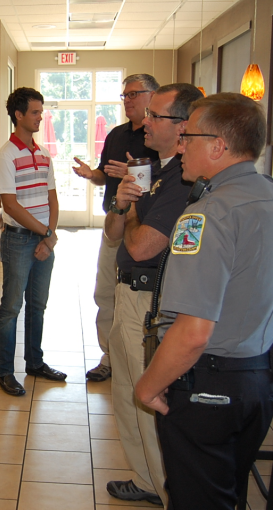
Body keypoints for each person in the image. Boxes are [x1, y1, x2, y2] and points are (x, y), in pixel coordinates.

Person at [135, 93, 273, 510]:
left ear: (218, 146)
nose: (180, 146)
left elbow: (193, 333)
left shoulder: (207, 214)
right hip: (261, 379)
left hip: (209, 385)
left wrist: (147, 387)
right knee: (227, 493)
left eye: (189, 137)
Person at [104, 83, 203, 506]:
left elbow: (143, 246)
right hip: (128, 294)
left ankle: (167, 491)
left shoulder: (184, 180)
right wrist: (124, 205)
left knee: (148, 397)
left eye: (156, 116)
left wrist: (129, 219)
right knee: (128, 396)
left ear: (183, 127)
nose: (145, 121)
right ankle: (146, 479)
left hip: (150, 301)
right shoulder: (155, 172)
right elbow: (113, 234)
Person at [73, 74, 160, 383]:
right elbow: (104, 175)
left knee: (140, 301)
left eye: (134, 94)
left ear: (153, 96)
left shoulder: (159, 138)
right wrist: (90, 174)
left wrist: (136, 174)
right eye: (125, 95)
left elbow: (167, 182)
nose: (127, 100)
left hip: (149, 229)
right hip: (114, 225)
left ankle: (137, 359)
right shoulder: (116, 134)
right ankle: (108, 357)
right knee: (105, 293)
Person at [0, 87, 66, 397]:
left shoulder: (44, 154)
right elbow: (10, 206)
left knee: (38, 305)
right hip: (18, 241)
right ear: (18, 115)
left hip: (42, 242)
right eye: (35, 112)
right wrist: (47, 235)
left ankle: (35, 362)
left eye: (41, 111)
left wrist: (48, 238)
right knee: (11, 307)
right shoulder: (5, 156)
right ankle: (4, 373)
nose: (40, 117)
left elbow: (52, 199)